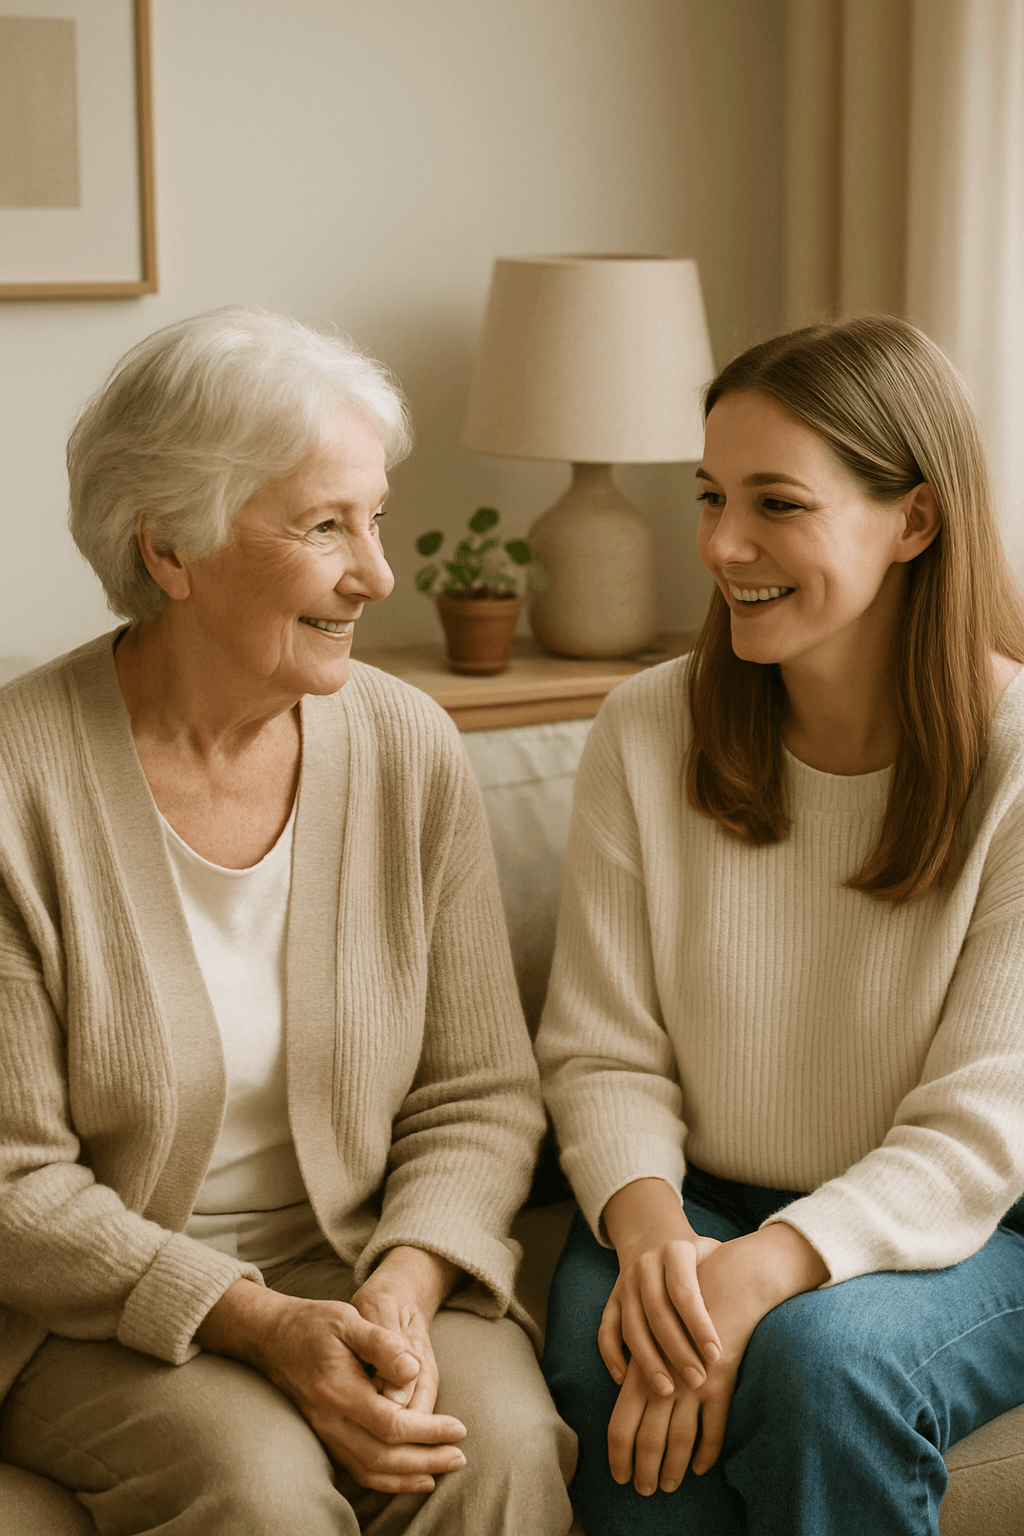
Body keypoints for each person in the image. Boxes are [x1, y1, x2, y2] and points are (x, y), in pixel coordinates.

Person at [0, 307, 575, 1536]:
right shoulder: (15, 786)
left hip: (365, 1260)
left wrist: (408, 1286)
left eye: (374, 517)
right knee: (258, 1491)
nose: (378, 573)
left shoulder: (406, 744)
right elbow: (13, 1180)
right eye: (326, 528)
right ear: (170, 549)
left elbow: (479, 1092)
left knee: (499, 1447)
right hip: (95, 1305)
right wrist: (255, 1323)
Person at [536, 315, 1024, 1535]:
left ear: (913, 521)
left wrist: (764, 1271)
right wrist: (653, 1235)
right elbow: (600, 1048)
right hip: (693, 1191)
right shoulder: (646, 728)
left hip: (965, 1232)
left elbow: (981, 1128)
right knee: (612, 1355)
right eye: (708, 497)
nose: (721, 545)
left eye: (775, 504)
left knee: (825, 1365)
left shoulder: (1014, 760)